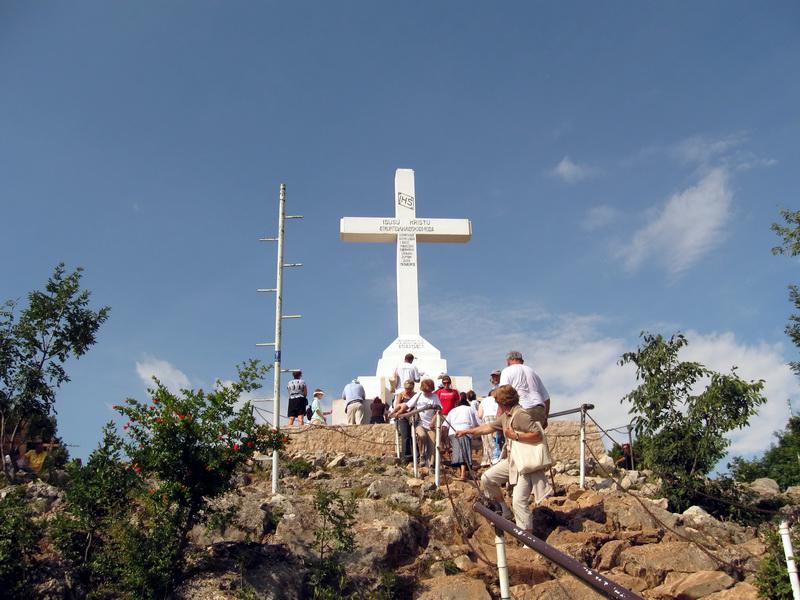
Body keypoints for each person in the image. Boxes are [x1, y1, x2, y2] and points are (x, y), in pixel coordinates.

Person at [456, 385, 553, 531]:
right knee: (487, 479)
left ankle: (527, 538)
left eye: (497, 401)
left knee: (519, 501)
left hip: (524, 464)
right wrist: (467, 431)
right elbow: (488, 427)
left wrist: (516, 436)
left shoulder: (520, 415)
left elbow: (538, 435)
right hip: (513, 460)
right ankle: (505, 511)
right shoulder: (506, 416)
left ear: (502, 401)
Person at [393, 378, 441, 467]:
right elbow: (407, 405)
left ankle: (431, 465)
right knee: (421, 435)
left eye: (429, 391)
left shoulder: (435, 397)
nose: (427, 393)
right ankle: (422, 455)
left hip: (431, 425)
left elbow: (439, 410)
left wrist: (433, 420)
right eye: (425, 391)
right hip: (420, 423)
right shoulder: (419, 395)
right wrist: (398, 413)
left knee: (432, 444)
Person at [500, 351, 550, 427]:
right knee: (537, 437)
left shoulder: (507, 371)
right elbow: (546, 398)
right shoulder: (532, 371)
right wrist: (545, 417)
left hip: (521, 409)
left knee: (520, 437)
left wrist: (501, 416)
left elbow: (503, 394)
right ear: (522, 361)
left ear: (507, 362)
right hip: (539, 409)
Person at [444, 395, 479, 481]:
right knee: (464, 453)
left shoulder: (452, 410)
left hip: (453, 432)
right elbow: (477, 422)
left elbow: (444, 426)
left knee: (458, 452)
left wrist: (445, 440)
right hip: (465, 431)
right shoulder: (470, 409)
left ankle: (461, 474)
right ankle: (463, 475)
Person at [389, 380, 417, 462]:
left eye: (410, 388)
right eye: (407, 388)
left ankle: (415, 454)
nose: (408, 390)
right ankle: (406, 456)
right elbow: (397, 405)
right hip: (403, 417)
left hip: (413, 416)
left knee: (414, 436)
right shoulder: (401, 394)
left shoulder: (415, 395)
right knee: (405, 436)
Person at [478, 389, 501, 467]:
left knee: (488, 441)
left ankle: (489, 460)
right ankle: (498, 458)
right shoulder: (499, 399)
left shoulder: (484, 400)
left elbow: (480, 415)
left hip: (487, 418)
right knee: (498, 440)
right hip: (498, 418)